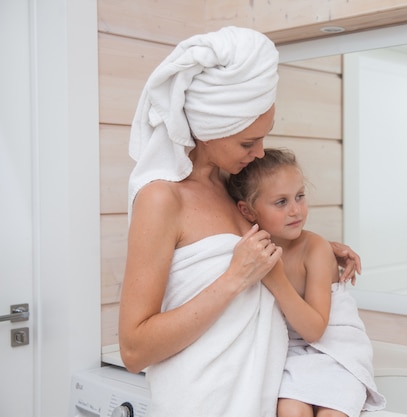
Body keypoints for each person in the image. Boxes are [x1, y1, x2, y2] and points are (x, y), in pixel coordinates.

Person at [118, 27, 361, 417]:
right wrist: (234, 277)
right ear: (208, 130)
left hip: (259, 402)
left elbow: (243, 253)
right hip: (200, 404)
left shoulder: (237, 191)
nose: (260, 151)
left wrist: (315, 248)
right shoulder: (162, 198)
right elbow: (134, 350)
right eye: (247, 143)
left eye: (263, 137)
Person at [226, 148, 386, 417]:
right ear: (247, 210)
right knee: (289, 410)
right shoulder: (250, 249)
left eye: (300, 196)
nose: (295, 210)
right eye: (281, 202)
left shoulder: (315, 250)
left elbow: (315, 330)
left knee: (331, 414)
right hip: (293, 354)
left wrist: (276, 279)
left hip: (336, 354)